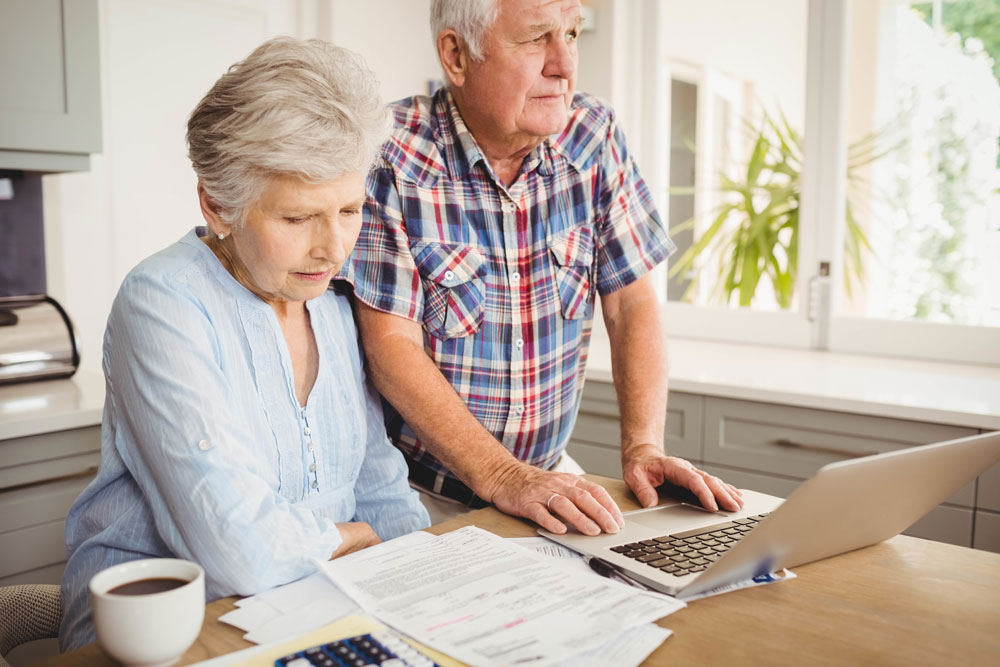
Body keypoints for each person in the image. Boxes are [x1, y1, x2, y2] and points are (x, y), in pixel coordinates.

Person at [59, 37, 429, 651]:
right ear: (218, 204)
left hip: (312, 608)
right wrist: (348, 538)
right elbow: (240, 551)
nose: (334, 248)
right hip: (164, 632)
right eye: (296, 218)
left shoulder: (329, 302)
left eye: (349, 209)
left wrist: (420, 568)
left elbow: (379, 486)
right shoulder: (162, 301)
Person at [342, 0, 743, 536]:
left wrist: (644, 446)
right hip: (422, 495)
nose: (564, 64)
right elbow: (390, 347)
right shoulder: (390, 152)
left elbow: (632, 302)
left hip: (547, 481)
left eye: (572, 34)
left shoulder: (593, 135)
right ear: (457, 55)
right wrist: (503, 475)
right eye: (536, 39)